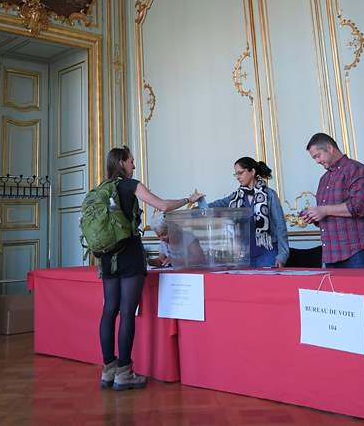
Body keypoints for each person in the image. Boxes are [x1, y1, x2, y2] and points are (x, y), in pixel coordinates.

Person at [99, 146, 202, 391]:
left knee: (108, 310)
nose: (134, 166)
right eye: (132, 161)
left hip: (106, 255)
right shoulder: (129, 184)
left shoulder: (101, 189)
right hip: (129, 254)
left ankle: (108, 370)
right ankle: (124, 372)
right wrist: (188, 199)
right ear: (122, 162)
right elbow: (163, 205)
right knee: (126, 311)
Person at [302, 133, 364, 268]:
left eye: (318, 155)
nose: (317, 161)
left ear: (330, 148)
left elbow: (358, 207)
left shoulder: (358, 170)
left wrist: (324, 210)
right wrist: (314, 216)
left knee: (360, 290)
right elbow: (328, 216)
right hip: (331, 254)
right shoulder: (324, 179)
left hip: (357, 252)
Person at [200, 157, 289, 268]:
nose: (237, 177)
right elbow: (211, 207)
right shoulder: (236, 197)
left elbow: (280, 226)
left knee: (266, 285)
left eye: (240, 173)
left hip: (268, 254)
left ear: (252, 171)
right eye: (236, 174)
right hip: (244, 256)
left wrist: (282, 255)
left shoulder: (270, 195)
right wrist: (198, 202)